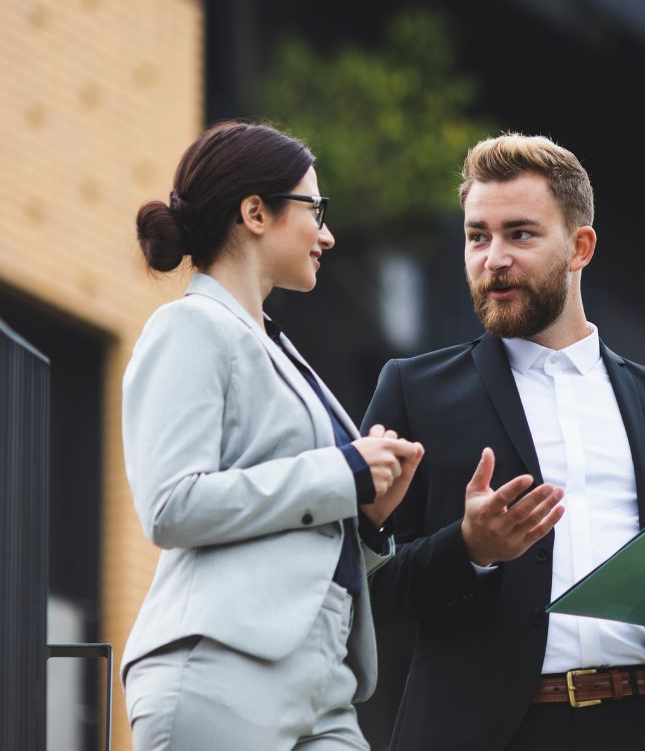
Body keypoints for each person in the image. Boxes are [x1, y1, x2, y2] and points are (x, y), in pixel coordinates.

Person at [362, 133, 645, 750]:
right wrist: (468, 548)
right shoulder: (413, 391)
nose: (493, 258)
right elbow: (359, 584)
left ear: (580, 247)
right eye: (477, 236)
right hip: (489, 734)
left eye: (519, 234)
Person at [121, 121, 423, 751]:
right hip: (221, 670)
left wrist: (366, 518)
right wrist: (343, 474)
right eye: (316, 209)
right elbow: (170, 504)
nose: (329, 233)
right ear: (255, 212)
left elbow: (303, 538)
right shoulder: (189, 327)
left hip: (326, 687)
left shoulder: (278, 349)